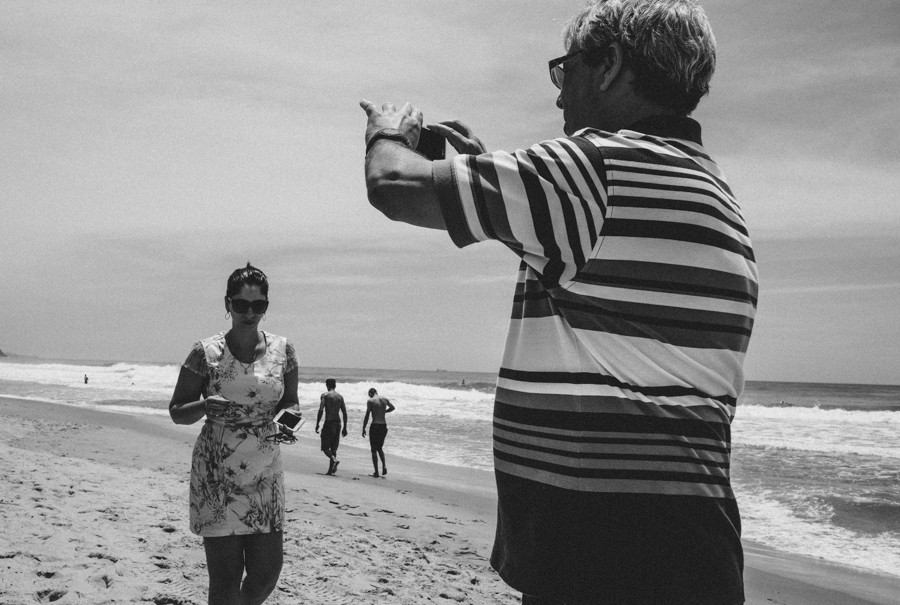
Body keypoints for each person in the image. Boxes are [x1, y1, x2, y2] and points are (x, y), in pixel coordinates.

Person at [359, 1, 757, 603]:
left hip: (598, 547)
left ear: (609, 64)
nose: (559, 94)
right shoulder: (713, 189)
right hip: (701, 547)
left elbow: (392, 185)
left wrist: (387, 133)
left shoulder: (593, 167)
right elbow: (588, 281)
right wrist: (499, 182)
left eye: (564, 68)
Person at [169, 263, 299, 605]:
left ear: (266, 306)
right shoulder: (205, 352)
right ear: (227, 304)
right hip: (217, 473)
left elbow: (290, 401)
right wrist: (204, 406)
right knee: (225, 579)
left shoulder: (283, 350)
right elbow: (177, 411)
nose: (249, 313)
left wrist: (288, 420)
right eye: (241, 304)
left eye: (258, 305)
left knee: (267, 573)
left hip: (266, 471)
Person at [315, 378, 348, 475]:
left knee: (325, 447)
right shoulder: (340, 397)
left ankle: (334, 459)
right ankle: (330, 471)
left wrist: (317, 423)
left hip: (329, 422)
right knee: (334, 448)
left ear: (327, 385)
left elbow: (321, 410)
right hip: (338, 423)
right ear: (335, 385)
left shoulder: (325, 395)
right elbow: (344, 413)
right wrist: (345, 427)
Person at [361, 387, 395, 477]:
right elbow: (392, 408)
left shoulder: (370, 401)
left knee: (373, 449)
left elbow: (367, 415)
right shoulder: (384, 399)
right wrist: (384, 412)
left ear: (370, 394)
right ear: (376, 392)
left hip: (375, 425)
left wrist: (363, 428)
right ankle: (384, 466)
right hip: (383, 426)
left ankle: (376, 472)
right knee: (379, 448)